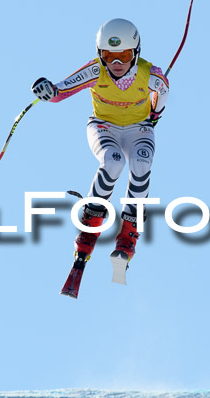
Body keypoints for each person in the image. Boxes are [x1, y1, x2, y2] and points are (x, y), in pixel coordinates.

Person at [31, 18, 169, 298]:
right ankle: (91, 221)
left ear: (136, 53)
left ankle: (129, 231)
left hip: (137, 129)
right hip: (103, 127)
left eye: (124, 56)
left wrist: (153, 114)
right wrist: (47, 90)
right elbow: (61, 91)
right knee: (113, 162)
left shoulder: (151, 75)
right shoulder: (96, 72)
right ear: (100, 55)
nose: (116, 63)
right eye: (109, 56)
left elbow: (161, 95)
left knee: (141, 164)